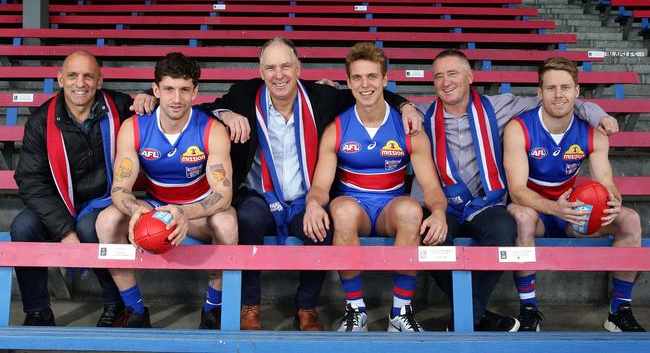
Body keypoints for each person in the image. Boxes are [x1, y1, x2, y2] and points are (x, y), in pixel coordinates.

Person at [130, 37, 423, 331]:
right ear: (261, 72)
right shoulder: (243, 95)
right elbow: (197, 105)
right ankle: (250, 306)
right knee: (246, 221)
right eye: (270, 67)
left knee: (322, 227)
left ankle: (306, 306)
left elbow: (367, 94)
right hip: (260, 194)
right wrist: (224, 112)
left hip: (305, 196)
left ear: (298, 68)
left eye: (285, 66)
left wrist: (406, 105)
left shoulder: (322, 96)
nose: (278, 74)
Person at [411, 49, 617, 332]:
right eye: (438, 76)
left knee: (503, 231)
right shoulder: (421, 114)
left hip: (484, 203)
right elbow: (385, 104)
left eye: (453, 73)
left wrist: (597, 113)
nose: (445, 82)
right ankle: (474, 315)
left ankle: (467, 314)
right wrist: (404, 106)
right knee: (429, 237)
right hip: (441, 204)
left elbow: (558, 100)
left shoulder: (499, 106)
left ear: (470, 76)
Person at [304, 42, 448, 332]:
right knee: (340, 209)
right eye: (357, 78)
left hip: (389, 210)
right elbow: (320, 186)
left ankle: (401, 312)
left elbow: (431, 188)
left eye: (372, 77)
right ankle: (356, 311)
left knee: (411, 210)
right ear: (348, 82)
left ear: (385, 80)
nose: (364, 84)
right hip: (354, 208)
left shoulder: (409, 128)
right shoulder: (337, 128)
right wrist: (312, 204)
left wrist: (440, 212)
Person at [95, 52, 237, 329]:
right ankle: (135, 309)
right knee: (107, 220)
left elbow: (223, 194)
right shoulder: (134, 127)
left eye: (185, 89)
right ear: (156, 89)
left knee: (227, 222)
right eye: (169, 89)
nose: (176, 98)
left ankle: (213, 308)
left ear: (195, 91)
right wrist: (136, 208)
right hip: (153, 208)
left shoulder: (212, 130)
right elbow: (120, 188)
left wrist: (183, 213)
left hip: (196, 212)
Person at [503, 57, 645, 333]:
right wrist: (554, 208)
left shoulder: (594, 131)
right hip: (537, 211)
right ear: (539, 92)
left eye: (566, 88)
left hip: (573, 212)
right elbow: (518, 191)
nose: (559, 95)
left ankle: (619, 311)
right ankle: (529, 309)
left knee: (630, 220)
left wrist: (613, 199)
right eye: (552, 88)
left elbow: (605, 180)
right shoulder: (518, 128)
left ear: (577, 92)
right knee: (521, 216)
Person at [10, 51, 134, 327]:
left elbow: (166, 113)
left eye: (89, 75)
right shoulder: (41, 121)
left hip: (104, 201)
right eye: (73, 75)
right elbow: (31, 181)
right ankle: (38, 311)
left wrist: (150, 102)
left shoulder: (121, 107)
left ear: (100, 80)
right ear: (60, 79)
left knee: (95, 228)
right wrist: (64, 230)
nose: (81, 82)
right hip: (57, 203)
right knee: (22, 228)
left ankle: (116, 305)